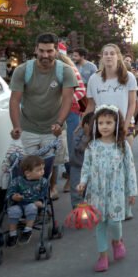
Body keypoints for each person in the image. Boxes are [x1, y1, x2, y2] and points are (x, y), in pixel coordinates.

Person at [9, 33, 77, 199]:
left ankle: (52, 187)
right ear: (36, 50)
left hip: (54, 126)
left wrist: (59, 123)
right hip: (29, 126)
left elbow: (67, 99)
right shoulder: (22, 70)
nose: (45, 55)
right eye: (41, 51)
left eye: (49, 51)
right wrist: (16, 126)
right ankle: (29, 197)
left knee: (51, 162)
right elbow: (14, 100)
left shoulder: (65, 71)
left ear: (56, 51)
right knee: (27, 165)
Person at [77, 105, 138, 272]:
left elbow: (130, 168)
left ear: (116, 124)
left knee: (114, 222)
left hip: (116, 192)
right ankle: (102, 255)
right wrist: (82, 182)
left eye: (109, 123)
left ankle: (117, 241)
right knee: (100, 224)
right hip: (96, 192)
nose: (104, 126)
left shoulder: (122, 146)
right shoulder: (92, 146)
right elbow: (86, 167)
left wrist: (132, 191)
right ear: (96, 125)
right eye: (101, 123)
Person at [85, 44, 138, 135]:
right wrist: (83, 122)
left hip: (127, 123)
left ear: (118, 57)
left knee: (127, 144)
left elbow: (132, 104)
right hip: (103, 126)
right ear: (102, 57)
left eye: (112, 53)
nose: (108, 56)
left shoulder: (129, 77)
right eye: (105, 54)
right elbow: (91, 105)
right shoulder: (93, 78)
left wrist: (125, 127)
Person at [56, 52, 86, 195]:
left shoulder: (70, 70)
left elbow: (81, 90)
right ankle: (52, 185)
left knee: (70, 146)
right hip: (52, 112)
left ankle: (70, 178)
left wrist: (67, 100)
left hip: (71, 112)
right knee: (54, 147)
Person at [5, 155, 47, 246]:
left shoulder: (43, 182)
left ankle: (27, 230)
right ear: (28, 173)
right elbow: (10, 192)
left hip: (33, 204)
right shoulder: (17, 181)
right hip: (17, 204)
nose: (42, 172)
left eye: (43, 169)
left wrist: (41, 201)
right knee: (13, 210)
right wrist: (14, 196)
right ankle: (12, 234)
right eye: (39, 170)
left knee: (31, 207)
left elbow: (44, 194)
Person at [68, 113, 93, 209]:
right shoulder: (78, 133)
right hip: (78, 167)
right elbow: (79, 148)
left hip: (92, 168)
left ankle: (92, 211)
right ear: (85, 125)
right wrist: (86, 136)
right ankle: (77, 211)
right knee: (77, 192)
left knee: (91, 192)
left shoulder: (98, 136)